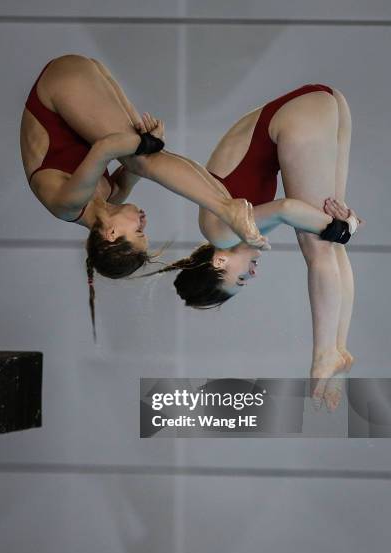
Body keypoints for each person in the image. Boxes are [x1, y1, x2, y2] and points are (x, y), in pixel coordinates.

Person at [20, 54, 268, 335]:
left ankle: (224, 207)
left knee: (141, 158)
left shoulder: (68, 204)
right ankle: (224, 204)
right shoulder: (108, 198)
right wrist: (152, 141)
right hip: (79, 79)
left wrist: (145, 146)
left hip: (58, 87)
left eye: (138, 233)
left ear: (111, 234)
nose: (144, 224)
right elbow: (135, 171)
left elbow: (106, 148)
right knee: (145, 157)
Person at [146, 84, 361, 404]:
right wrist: (344, 227)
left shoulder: (221, 233)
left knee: (319, 243)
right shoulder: (237, 232)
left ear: (219, 262)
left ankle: (323, 354)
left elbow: (288, 208)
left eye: (241, 278)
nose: (253, 275)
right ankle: (338, 348)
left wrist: (347, 227)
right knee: (329, 242)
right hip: (317, 107)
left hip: (296, 116)